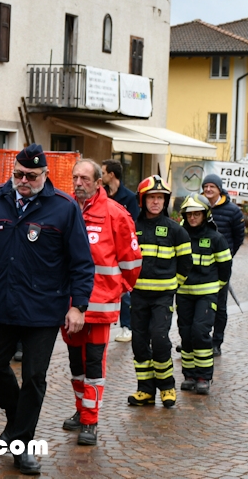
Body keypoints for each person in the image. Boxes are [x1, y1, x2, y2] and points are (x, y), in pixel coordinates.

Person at [0, 144, 94, 475]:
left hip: (43, 309)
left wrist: (78, 307)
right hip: (2, 304)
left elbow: (82, 264)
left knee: (34, 376)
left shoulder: (63, 208)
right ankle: (16, 424)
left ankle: (22, 443)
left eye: (30, 176)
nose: (23, 181)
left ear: (45, 175)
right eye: (18, 174)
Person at [61, 160, 141, 446]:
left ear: (98, 182)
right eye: (75, 177)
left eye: (85, 178)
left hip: (99, 306)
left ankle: (90, 421)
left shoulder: (115, 214)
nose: (79, 182)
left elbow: (131, 262)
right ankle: (82, 409)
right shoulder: (64, 209)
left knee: (94, 363)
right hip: (69, 306)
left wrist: (117, 290)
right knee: (75, 363)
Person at [129, 175, 192, 408]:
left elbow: (186, 263)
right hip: (138, 296)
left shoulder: (176, 230)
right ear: (142, 200)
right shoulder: (132, 227)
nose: (156, 202)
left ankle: (166, 387)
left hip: (163, 298)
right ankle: (145, 390)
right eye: (151, 197)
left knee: (160, 339)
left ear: (166, 201)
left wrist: (173, 285)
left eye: (160, 198)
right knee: (138, 342)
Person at [177, 193, 232, 395]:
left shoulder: (216, 239)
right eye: (189, 214)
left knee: (200, 332)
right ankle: (189, 375)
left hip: (206, 295)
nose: (193, 218)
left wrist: (215, 287)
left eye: (197, 214)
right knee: (186, 333)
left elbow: (225, 267)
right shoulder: (180, 236)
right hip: (183, 294)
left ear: (205, 214)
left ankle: (203, 377)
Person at [201, 174, 245, 357]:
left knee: (220, 305)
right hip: (199, 264)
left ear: (219, 189)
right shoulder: (199, 206)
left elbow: (239, 237)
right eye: (206, 186)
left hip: (220, 266)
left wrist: (227, 257)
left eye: (212, 186)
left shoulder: (233, 211)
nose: (209, 189)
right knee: (199, 302)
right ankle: (199, 339)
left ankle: (216, 341)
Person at [102, 159, 140, 343]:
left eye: (103, 172)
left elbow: (133, 225)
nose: (100, 176)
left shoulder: (129, 198)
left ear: (111, 174)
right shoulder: (103, 196)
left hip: (122, 250)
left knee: (124, 291)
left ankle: (126, 326)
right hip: (105, 249)